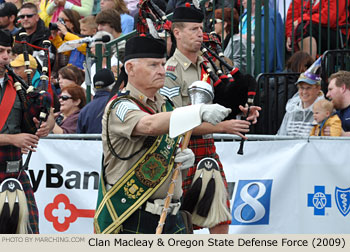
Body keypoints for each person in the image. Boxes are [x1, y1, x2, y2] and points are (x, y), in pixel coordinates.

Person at [94, 35, 231, 234]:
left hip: (170, 217)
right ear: (130, 68)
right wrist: (197, 112)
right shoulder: (120, 106)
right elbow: (148, 125)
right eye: (153, 65)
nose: (161, 71)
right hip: (130, 216)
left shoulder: (167, 105)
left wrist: (183, 161)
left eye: (162, 64)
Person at [162, 5, 260, 234]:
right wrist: (223, 126)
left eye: (201, 28)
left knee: (219, 218)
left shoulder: (211, 65)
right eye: (194, 29)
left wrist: (242, 111)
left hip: (207, 150)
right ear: (177, 33)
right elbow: (177, 122)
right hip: (180, 153)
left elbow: (222, 104)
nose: (200, 34)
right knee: (180, 222)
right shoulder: (170, 71)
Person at [0, 29, 54, 233]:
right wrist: (13, 139)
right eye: (0, 51)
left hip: (14, 172)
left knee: (28, 236)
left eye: (8, 51)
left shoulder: (19, 86)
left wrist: (46, 124)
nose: (6, 57)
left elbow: (45, 111)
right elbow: (16, 137)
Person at [277, 58, 325, 136]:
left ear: (318, 89)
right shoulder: (292, 108)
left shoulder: (324, 109)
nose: (304, 92)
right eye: (301, 88)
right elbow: (281, 134)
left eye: (308, 88)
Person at [214, 7, 252, 73]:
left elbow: (241, 69)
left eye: (215, 21)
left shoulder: (237, 42)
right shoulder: (221, 42)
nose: (213, 25)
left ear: (224, 24)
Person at [77, 68, 115, 133]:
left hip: (90, 143)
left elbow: (79, 138)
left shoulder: (84, 110)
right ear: (113, 86)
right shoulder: (118, 103)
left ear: (94, 88)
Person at [325, 70, 350, 136]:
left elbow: (339, 134)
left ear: (343, 88)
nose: (327, 95)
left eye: (330, 89)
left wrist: (343, 134)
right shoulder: (335, 113)